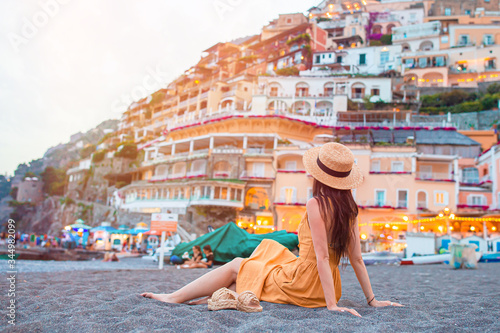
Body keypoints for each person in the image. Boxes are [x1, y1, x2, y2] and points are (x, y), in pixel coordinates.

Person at [142, 143, 403, 316]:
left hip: (306, 286)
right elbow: (356, 259)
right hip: (329, 287)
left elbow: (321, 257)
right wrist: (371, 300)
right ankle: (223, 294)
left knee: (236, 264)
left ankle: (175, 297)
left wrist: (332, 307)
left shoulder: (316, 204)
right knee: (270, 250)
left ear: (319, 176)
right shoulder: (349, 209)